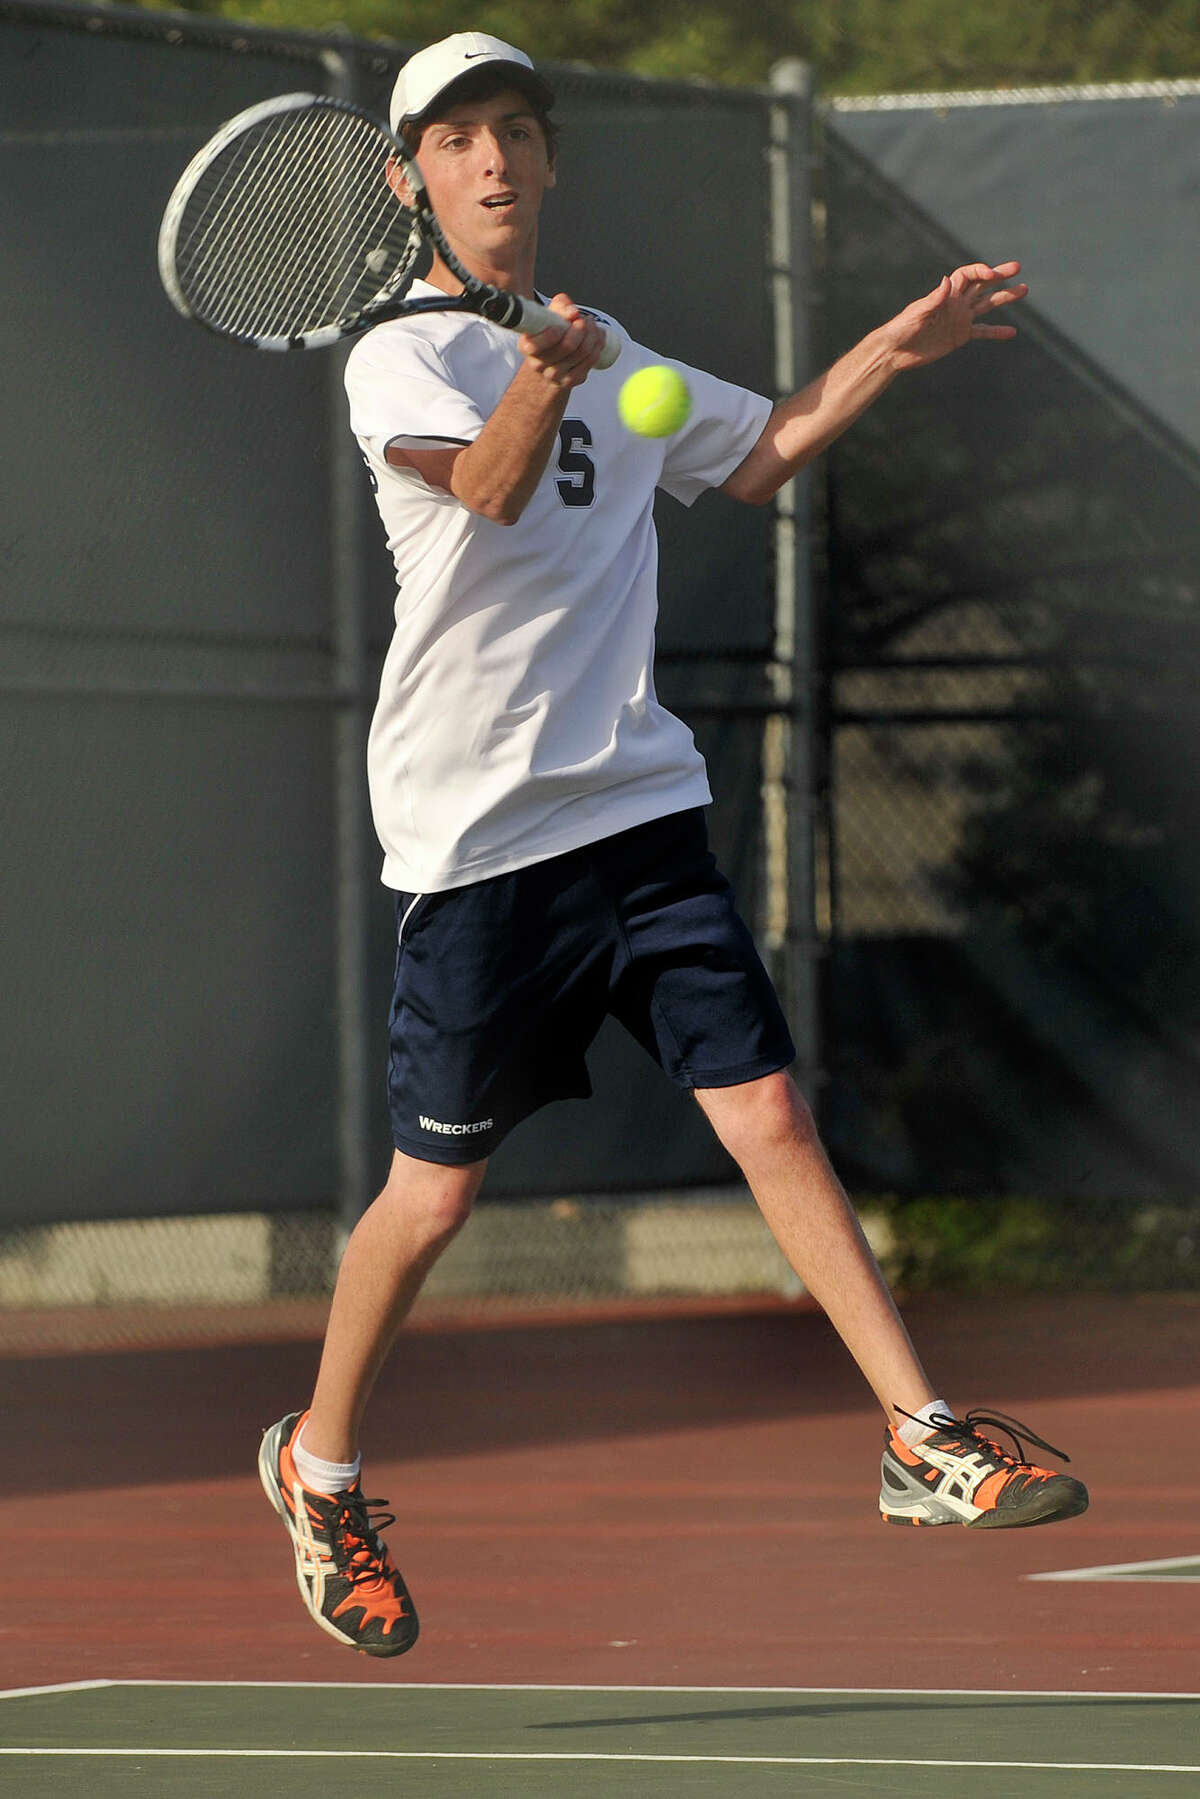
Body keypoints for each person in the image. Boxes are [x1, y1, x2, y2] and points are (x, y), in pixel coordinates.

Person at [258, 31, 1089, 1658]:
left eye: (517, 134)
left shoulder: (612, 348)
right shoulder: (398, 360)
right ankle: (320, 1466)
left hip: (635, 808)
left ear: (548, 164)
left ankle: (923, 1439)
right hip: (480, 848)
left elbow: (757, 449)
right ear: (408, 174)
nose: (494, 162)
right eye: (459, 139)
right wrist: (552, 373)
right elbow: (489, 496)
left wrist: (893, 348)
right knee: (430, 1205)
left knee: (770, 1110)